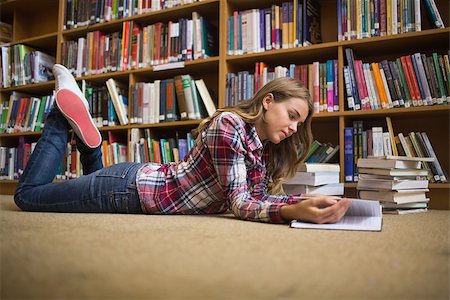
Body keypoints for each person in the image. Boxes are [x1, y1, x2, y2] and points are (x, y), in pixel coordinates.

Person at [14, 64, 351, 224]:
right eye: (291, 115)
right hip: (131, 191)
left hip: (128, 183)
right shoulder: (230, 125)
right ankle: (61, 116)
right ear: (267, 102)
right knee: (28, 197)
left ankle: (90, 147)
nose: (294, 128)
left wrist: (304, 200)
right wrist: (290, 211)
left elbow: (259, 198)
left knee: (92, 183)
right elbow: (240, 202)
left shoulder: (259, 147)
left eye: (299, 123)